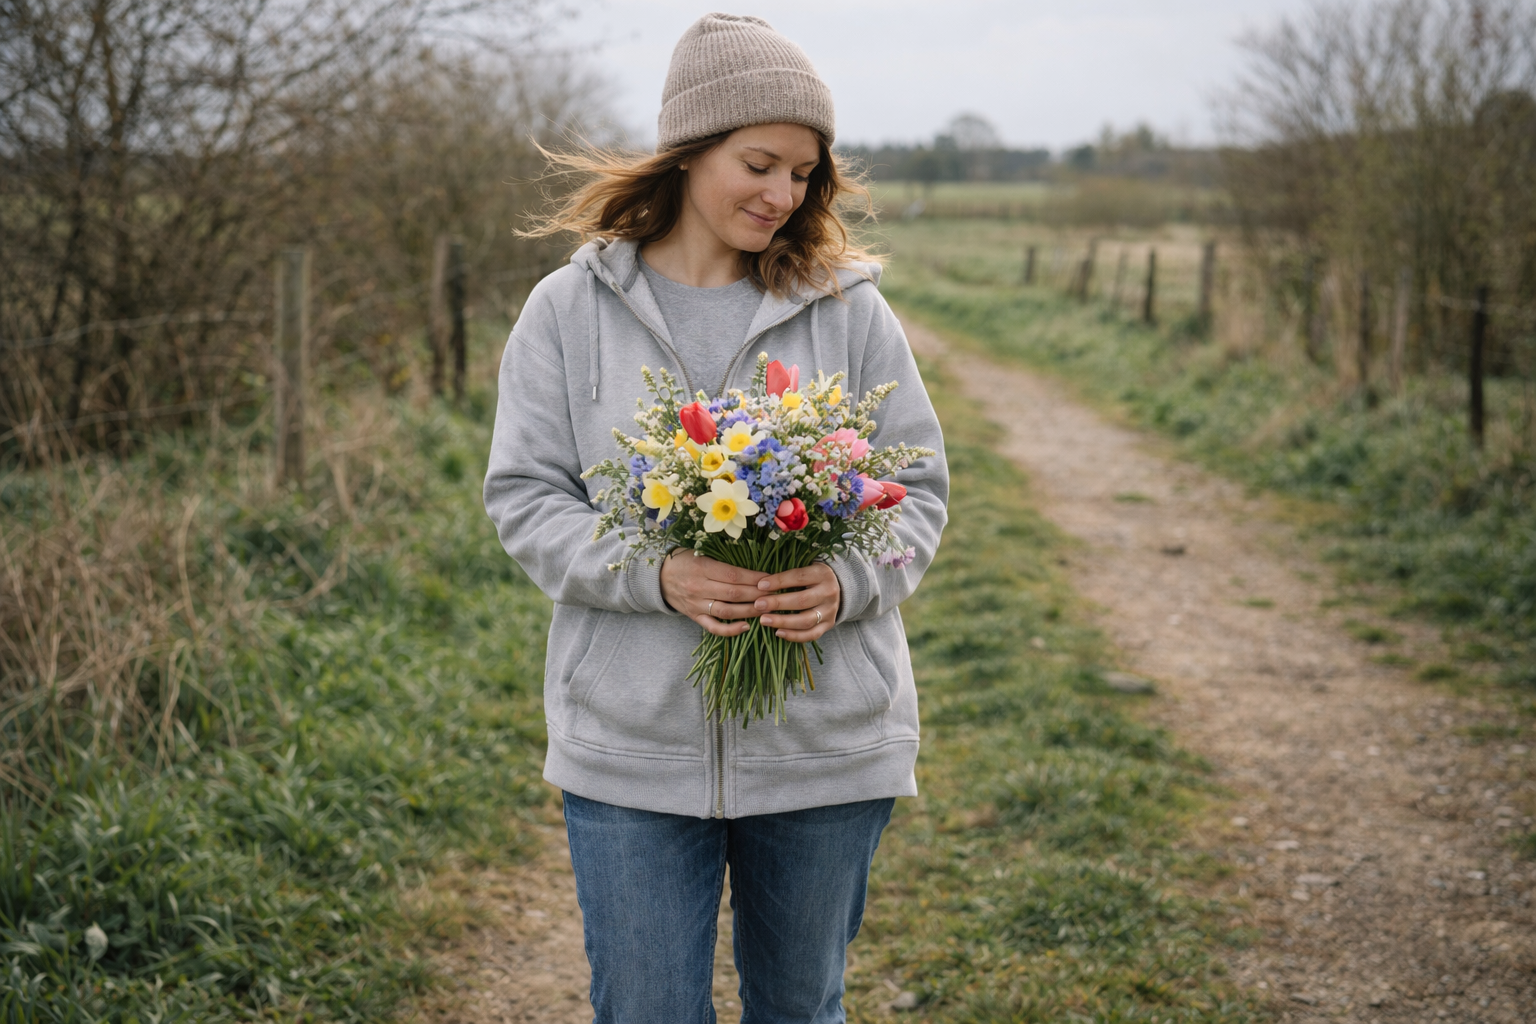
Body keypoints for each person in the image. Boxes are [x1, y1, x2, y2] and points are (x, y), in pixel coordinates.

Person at [483, 12, 948, 1022]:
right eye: (760, 163)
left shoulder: (850, 310)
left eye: (803, 176)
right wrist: (655, 575)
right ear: (690, 151)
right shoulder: (566, 311)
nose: (782, 195)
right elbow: (523, 497)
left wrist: (848, 579)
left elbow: (919, 490)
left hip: (827, 746)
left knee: (800, 1009)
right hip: (629, 750)